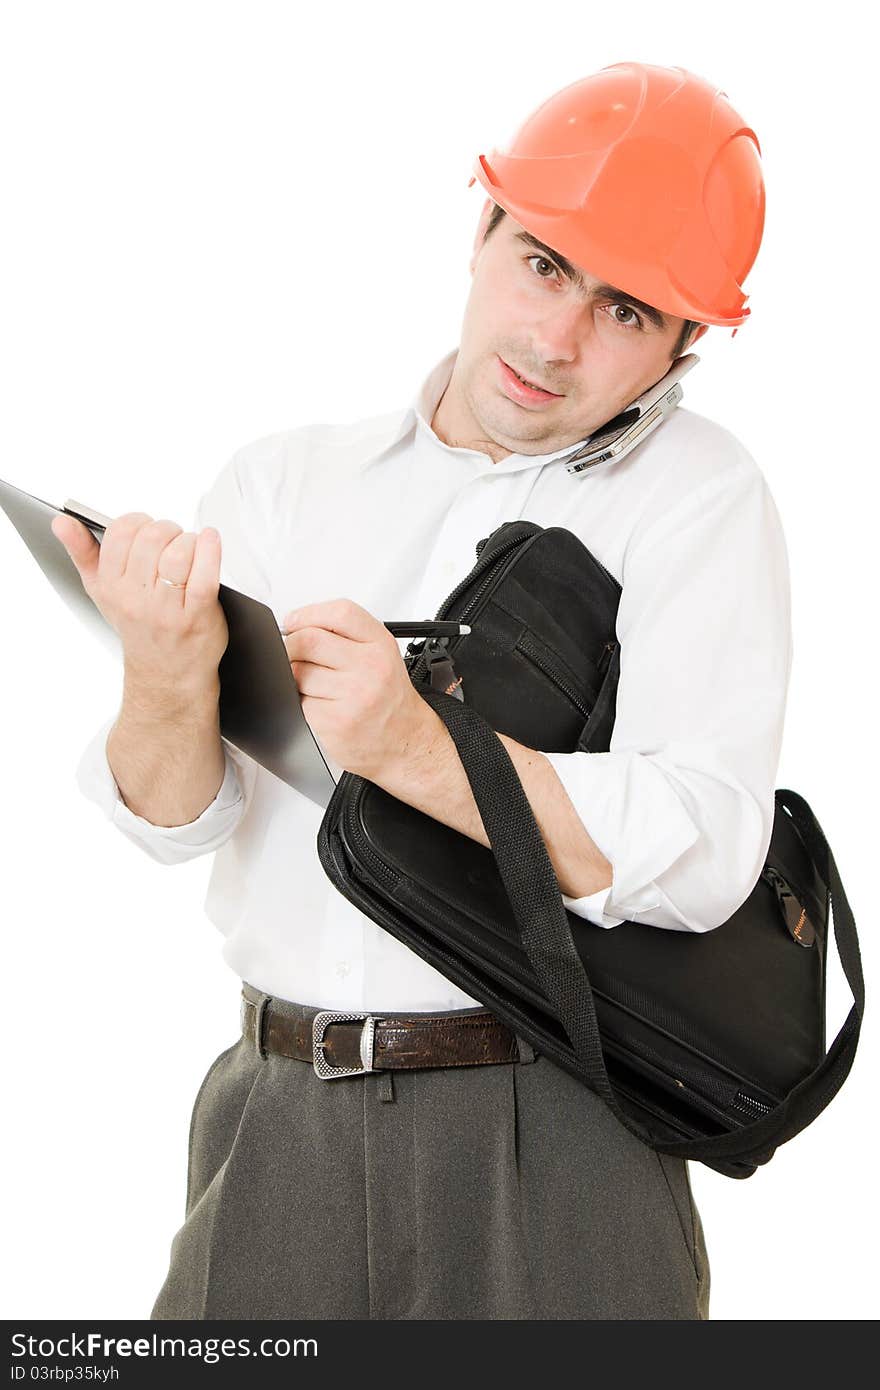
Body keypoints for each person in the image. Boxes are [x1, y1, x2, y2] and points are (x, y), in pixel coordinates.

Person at [52, 61, 790, 1320]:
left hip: (560, 1133)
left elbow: (711, 844)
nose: (553, 341)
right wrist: (168, 676)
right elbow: (178, 823)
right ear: (481, 232)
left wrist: (420, 747)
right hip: (277, 1115)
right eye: (544, 265)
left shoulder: (697, 498)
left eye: (624, 312)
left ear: (684, 343)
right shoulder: (286, 481)